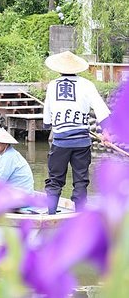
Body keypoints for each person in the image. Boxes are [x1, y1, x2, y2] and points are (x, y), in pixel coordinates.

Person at [43, 51, 111, 214]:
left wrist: (49, 125)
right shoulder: (87, 85)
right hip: (81, 141)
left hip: (60, 142)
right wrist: (106, 132)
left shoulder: (53, 85)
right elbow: (101, 109)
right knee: (81, 180)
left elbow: (47, 119)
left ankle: (51, 212)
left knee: (55, 179)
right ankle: (79, 213)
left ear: (58, 69)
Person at [0, 129, 34, 195]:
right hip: (21, 191)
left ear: (5, 143)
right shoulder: (9, 154)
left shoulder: (8, 156)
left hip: (20, 195)